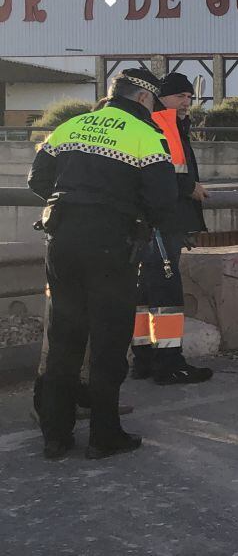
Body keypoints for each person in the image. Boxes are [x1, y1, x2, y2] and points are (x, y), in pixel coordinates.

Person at [28, 68, 178, 460]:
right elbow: (163, 198)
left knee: (64, 338)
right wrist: (131, 218)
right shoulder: (145, 135)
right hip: (112, 246)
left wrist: (73, 208)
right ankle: (104, 435)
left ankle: (55, 436)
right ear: (144, 99)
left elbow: (36, 179)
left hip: (61, 240)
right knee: (109, 342)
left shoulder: (71, 126)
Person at [132, 72, 213, 385]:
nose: (187, 102)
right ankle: (169, 364)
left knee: (143, 295)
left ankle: (143, 359)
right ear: (160, 96)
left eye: (190, 97)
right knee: (166, 297)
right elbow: (165, 174)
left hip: (150, 224)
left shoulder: (167, 123)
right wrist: (188, 187)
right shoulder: (163, 123)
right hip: (162, 225)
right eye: (181, 96)